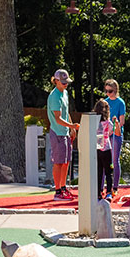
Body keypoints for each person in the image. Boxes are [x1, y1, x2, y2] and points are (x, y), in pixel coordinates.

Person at [47, 69, 81, 199]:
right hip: (57, 133)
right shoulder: (54, 97)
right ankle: (57, 192)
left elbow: (66, 114)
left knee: (66, 161)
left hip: (65, 132)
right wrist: (72, 126)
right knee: (58, 162)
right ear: (55, 81)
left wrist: (71, 128)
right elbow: (58, 118)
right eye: (63, 82)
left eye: (67, 82)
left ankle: (63, 187)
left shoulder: (65, 93)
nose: (66, 84)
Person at [104, 79, 126, 197]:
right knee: (104, 161)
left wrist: (115, 126)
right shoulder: (105, 102)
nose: (108, 93)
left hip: (116, 134)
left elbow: (122, 121)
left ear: (115, 90)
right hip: (106, 134)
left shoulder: (120, 102)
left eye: (110, 91)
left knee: (114, 160)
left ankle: (115, 186)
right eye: (106, 91)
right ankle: (103, 186)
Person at [94, 99, 114, 200]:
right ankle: (109, 192)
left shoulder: (94, 122)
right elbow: (111, 130)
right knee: (108, 172)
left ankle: (98, 192)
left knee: (98, 172)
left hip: (97, 149)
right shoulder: (108, 122)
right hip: (106, 148)